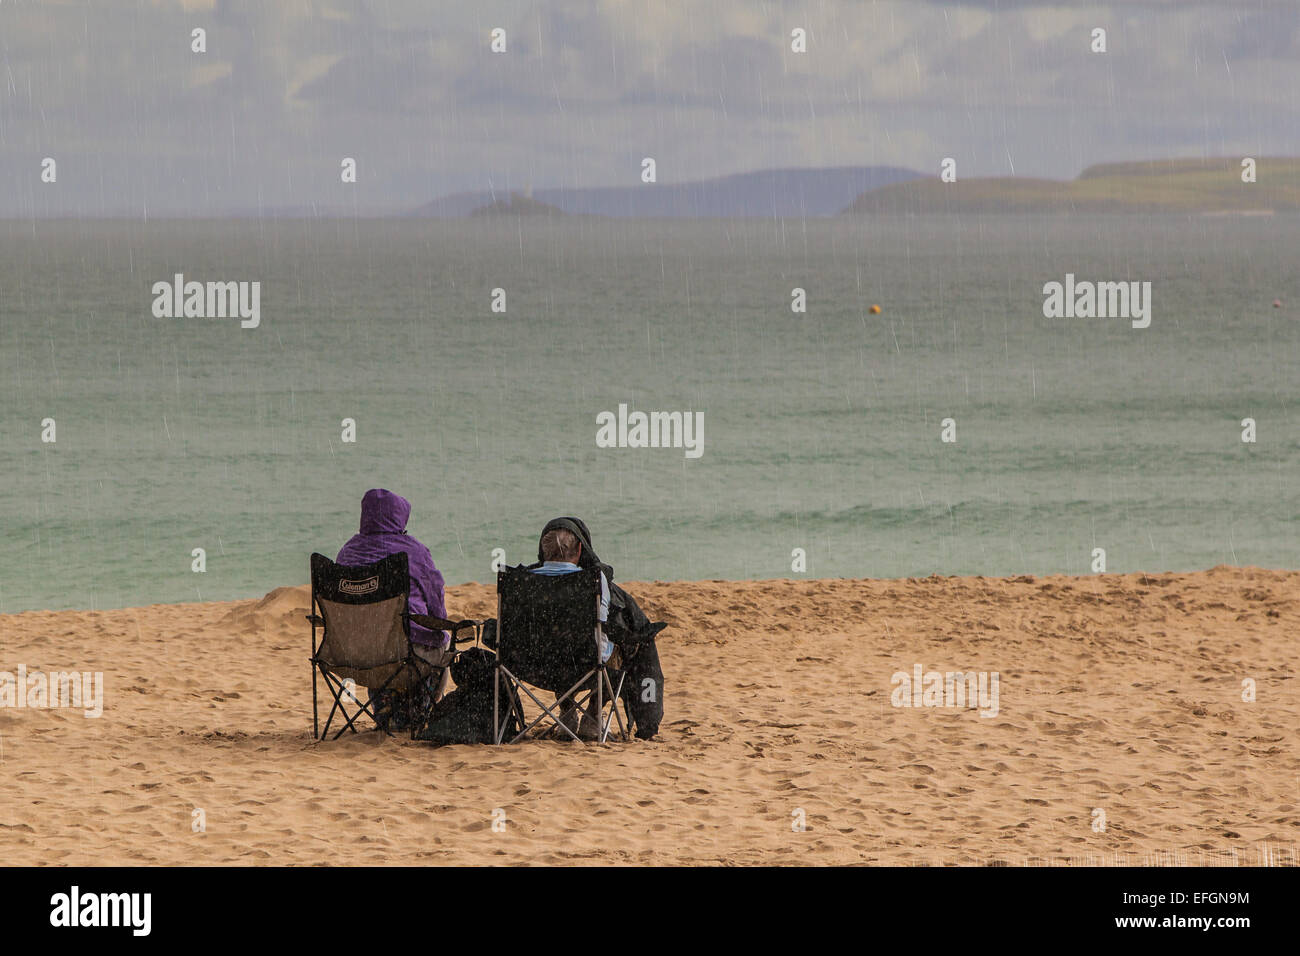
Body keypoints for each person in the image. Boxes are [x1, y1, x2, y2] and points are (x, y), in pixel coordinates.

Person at [531, 517, 666, 740]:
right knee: (620, 646)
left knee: (554, 639)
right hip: (587, 667)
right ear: (581, 550)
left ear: (542, 551)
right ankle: (594, 713)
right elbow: (609, 623)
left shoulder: (523, 581)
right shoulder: (594, 580)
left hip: (535, 666)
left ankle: (567, 710)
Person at [336, 488, 448, 732]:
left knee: (380, 638)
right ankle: (419, 709)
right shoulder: (414, 552)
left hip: (354, 659)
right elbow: (436, 602)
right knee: (440, 643)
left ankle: (386, 705)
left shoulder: (347, 553)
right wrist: (441, 631)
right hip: (404, 656)